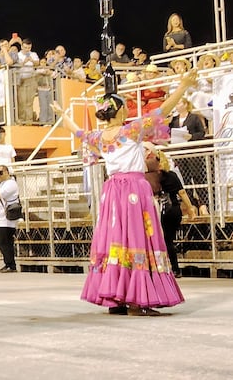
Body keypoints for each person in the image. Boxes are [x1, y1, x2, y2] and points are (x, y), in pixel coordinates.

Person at [52, 68, 197, 316]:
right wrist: (183, 86)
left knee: (115, 240)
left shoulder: (98, 137)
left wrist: (62, 114)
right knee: (137, 238)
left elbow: (75, 131)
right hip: (133, 189)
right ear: (120, 110)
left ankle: (116, 298)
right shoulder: (131, 131)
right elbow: (162, 111)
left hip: (112, 192)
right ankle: (136, 302)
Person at [144, 144, 196, 278]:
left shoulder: (150, 177)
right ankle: (174, 268)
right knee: (169, 239)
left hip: (161, 210)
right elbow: (182, 193)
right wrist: (190, 208)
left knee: (163, 240)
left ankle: (168, 268)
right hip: (174, 209)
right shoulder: (172, 175)